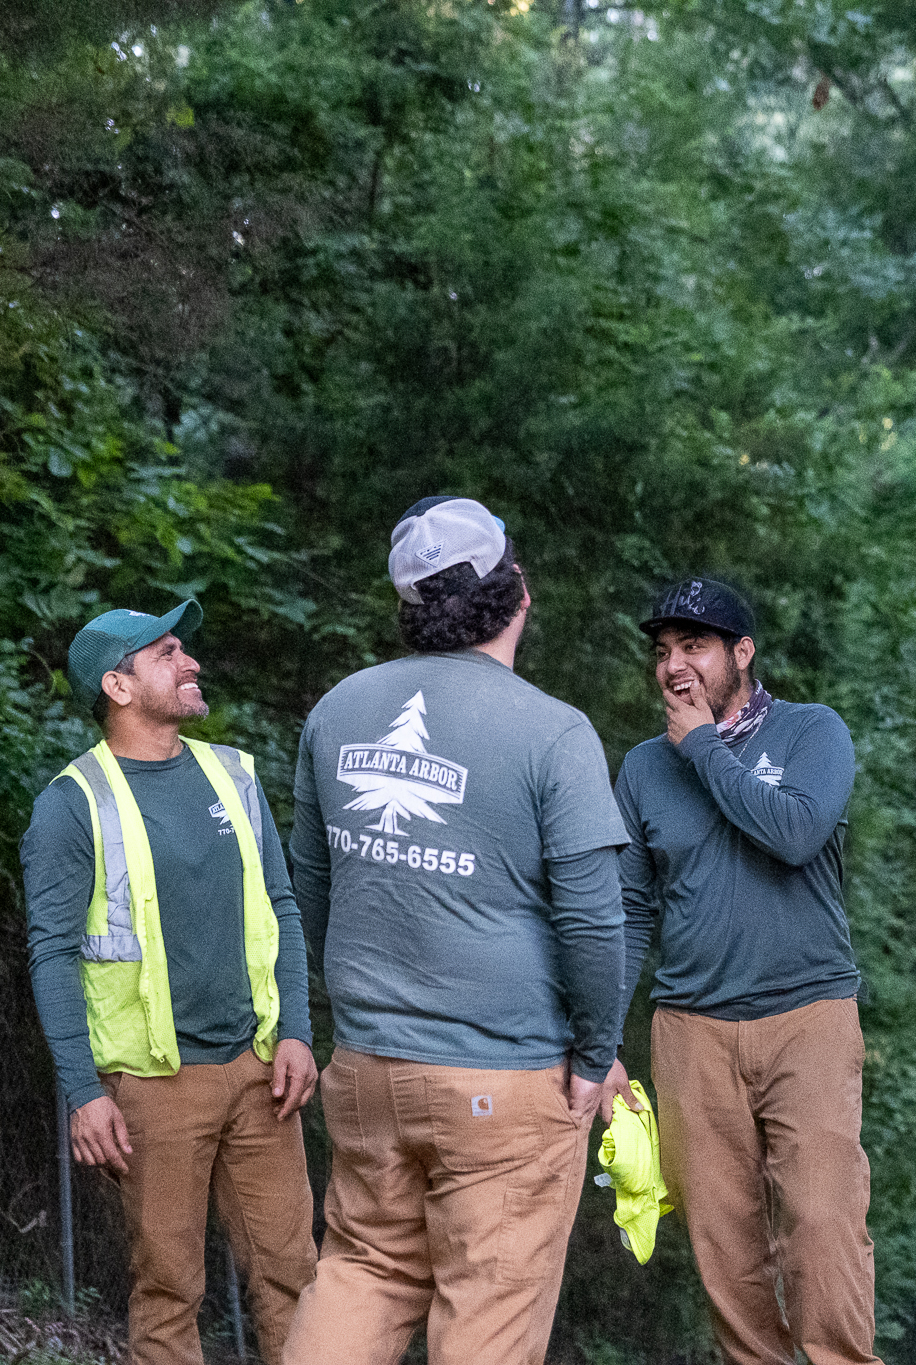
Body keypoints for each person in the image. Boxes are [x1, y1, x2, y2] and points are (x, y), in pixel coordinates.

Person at [283, 496, 628, 1365]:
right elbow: (593, 919)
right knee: (488, 1318)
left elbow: (312, 890)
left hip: (369, 1070)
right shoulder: (555, 732)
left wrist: (364, 1011)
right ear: (516, 589)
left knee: (361, 1270)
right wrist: (595, 1056)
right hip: (504, 1082)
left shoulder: (337, 711)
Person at [23, 600, 318, 1365]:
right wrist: (84, 1090)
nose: (190, 665)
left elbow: (280, 906)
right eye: (167, 654)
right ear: (118, 688)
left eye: (184, 649)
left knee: (295, 1276)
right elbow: (51, 952)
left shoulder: (234, 775)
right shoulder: (71, 803)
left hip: (261, 1071)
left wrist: (296, 1031)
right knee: (168, 1288)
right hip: (153, 1085)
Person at [606, 577, 881, 1365]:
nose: (673, 666)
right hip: (690, 1029)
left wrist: (703, 747)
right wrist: (600, 1044)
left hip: (809, 1018)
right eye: (663, 652)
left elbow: (794, 831)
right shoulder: (642, 770)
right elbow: (629, 913)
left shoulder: (810, 732)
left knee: (824, 1225)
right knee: (726, 1250)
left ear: (743, 652)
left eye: (694, 646)